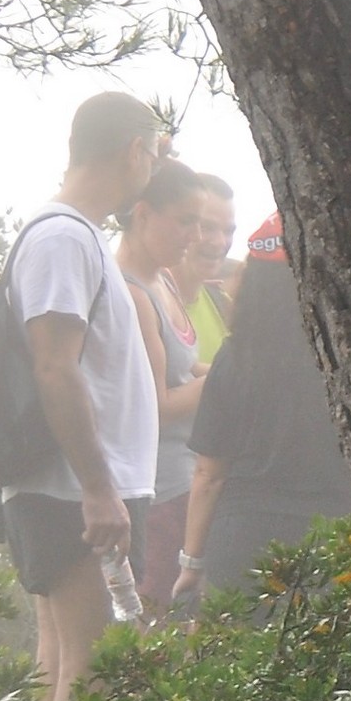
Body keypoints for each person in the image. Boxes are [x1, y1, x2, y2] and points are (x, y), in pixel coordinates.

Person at [1, 91, 164, 701]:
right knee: (91, 671)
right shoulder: (63, 238)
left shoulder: (76, 236)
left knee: (66, 665)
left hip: (75, 488)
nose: (153, 166)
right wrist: (100, 489)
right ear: (133, 151)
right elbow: (54, 366)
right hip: (75, 492)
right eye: (153, 153)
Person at [169, 218, 351, 612]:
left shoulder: (235, 358)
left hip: (245, 539)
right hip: (337, 534)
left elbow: (209, 474)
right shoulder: (349, 357)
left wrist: (192, 563)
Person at [118, 163, 232, 605]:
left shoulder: (163, 277)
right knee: (160, 618)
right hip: (159, 490)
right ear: (143, 214)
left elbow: (185, 370)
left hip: (189, 479)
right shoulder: (132, 294)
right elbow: (159, 404)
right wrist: (231, 373)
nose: (195, 236)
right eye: (187, 222)